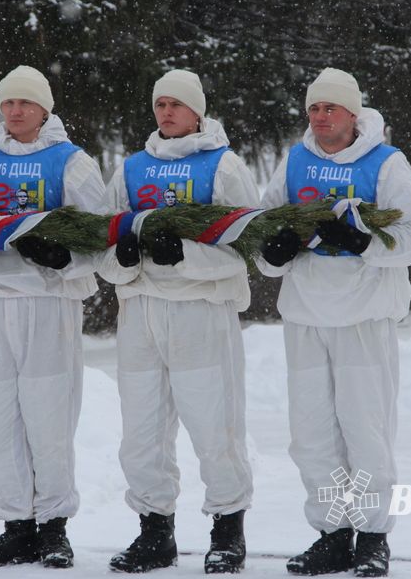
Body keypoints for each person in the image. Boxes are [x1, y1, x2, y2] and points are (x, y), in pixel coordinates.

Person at [257, 68, 411, 577]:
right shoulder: (295, 160)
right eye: (313, 108)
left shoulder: (385, 162)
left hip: (363, 315)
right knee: (311, 433)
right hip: (305, 314)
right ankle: (333, 534)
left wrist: (368, 245)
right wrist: (275, 252)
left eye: (329, 108)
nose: (319, 117)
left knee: (366, 428)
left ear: (352, 114)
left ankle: (373, 535)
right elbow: (266, 223)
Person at [0, 65, 105, 569]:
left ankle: (54, 527)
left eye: (25, 103)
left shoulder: (70, 162)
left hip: (46, 301)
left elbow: (99, 233)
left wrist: (63, 258)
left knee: (48, 414)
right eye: (7, 103)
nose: (14, 111)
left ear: (44, 110)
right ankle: (17, 526)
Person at [97, 69, 258, 574]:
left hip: (200, 313)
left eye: (177, 104)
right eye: (160, 104)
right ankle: (154, 531)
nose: (166, 112)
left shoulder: (224, 166)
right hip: (141, 312)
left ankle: (227, 530)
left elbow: (244, 249)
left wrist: (183, 256)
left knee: (215, 425)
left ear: (198, 112)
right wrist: (123, 257)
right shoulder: (130, 170)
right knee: (141, 429)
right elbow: (99, 247)